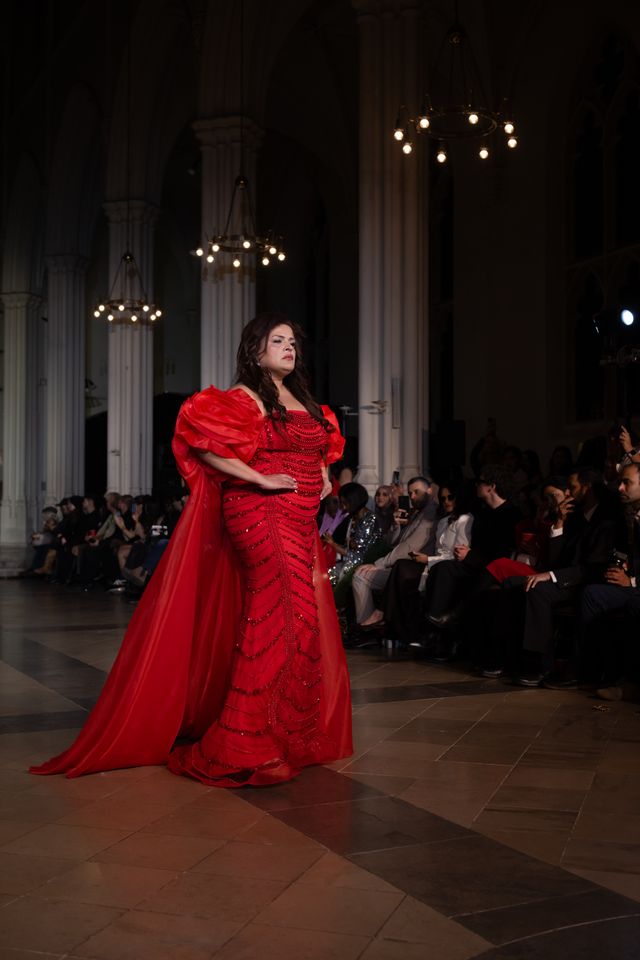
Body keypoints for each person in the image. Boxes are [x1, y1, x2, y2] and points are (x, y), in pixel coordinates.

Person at [31, 313, 353, 786]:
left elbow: (321, 445)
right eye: (277, 340)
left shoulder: (302, 399)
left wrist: (322, 474)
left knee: (299, 621)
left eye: (292, 341)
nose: (289, 347)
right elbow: (202, 443)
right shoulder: (243, 397)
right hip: (260, 513)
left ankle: (276, 730)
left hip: (301, 519)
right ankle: (241, 739)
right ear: (255, 350)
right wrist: (260, 477)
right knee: (281, 614)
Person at [351, 476, 437, 630]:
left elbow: (409, 546)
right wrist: (396, 525)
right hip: (400, 568)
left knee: (360, 575)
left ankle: (367, 626)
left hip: (416, 570)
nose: (412, 497)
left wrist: (379, 564)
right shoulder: (417, 512)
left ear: (429, 491)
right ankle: (367, 626)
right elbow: (392, 543)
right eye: (410, 493)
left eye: (416, 492)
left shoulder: (430, 512)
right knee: (360, 574)